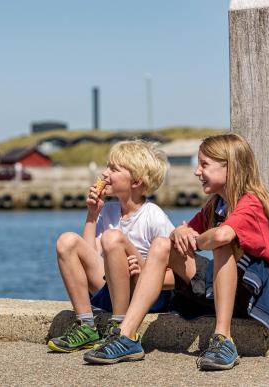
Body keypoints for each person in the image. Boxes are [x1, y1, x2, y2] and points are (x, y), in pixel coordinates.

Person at [83, 133, 269, 369]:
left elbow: (221, 236)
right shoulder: (217, 204)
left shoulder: (252, 203)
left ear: (231, 167)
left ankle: (223, 339)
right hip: (224, 288)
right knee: (161, 244)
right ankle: (127, 336)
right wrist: (180, 233)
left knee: (221, 243)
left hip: (258, 294)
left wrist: (196, 240)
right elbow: (181, 230)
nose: (197, 171)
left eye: (204, 165)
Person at [47, 139, 175, 353]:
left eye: (114, 169)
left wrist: (144, 270)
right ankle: (86, 326)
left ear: (136, 182)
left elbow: (176, 276)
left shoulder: (154, 216)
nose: (105, 173)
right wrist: (92, 214)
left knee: (112, 238)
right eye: (107, 166)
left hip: (144, 296)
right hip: (111, 290)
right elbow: (91, 255)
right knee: (66, 241)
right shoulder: (108, 212)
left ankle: (120, 327)